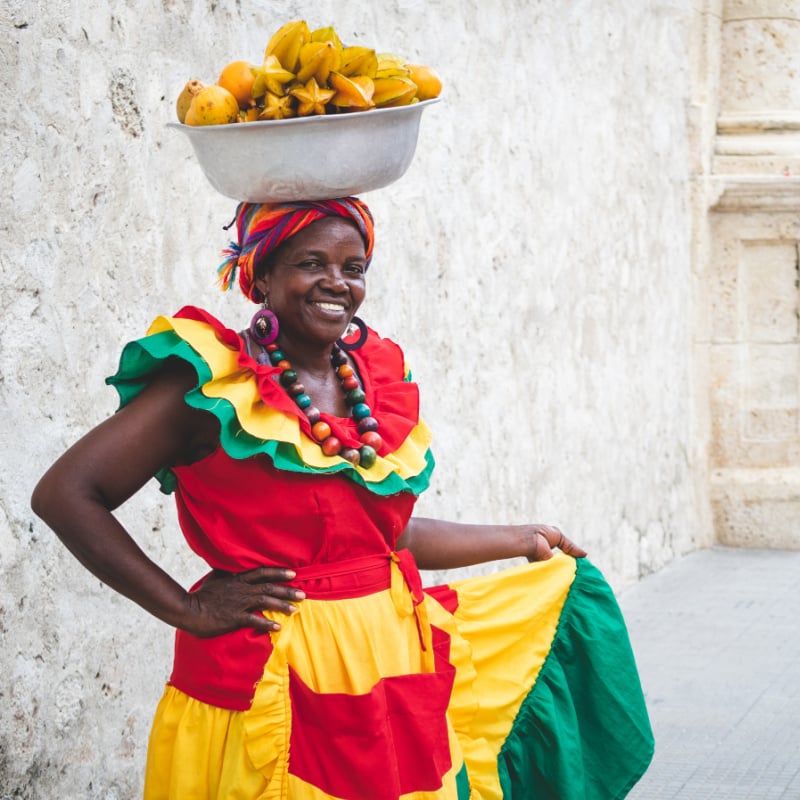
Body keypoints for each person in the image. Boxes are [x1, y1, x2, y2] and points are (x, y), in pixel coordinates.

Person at [32, 197, 653, 799]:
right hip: (268, 674)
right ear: (262, 275)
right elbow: (66, 494)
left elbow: (384, 540)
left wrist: (518, 537)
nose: (336, 282)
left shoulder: (372, 384)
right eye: (310, 264)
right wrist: (185, 610)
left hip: (385, 666)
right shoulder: (211, 386)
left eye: (352, 268)